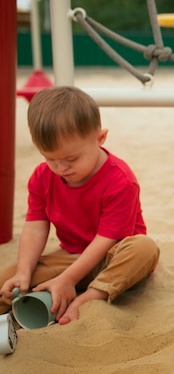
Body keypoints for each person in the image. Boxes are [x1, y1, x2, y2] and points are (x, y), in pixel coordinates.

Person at [0, 86, 160, 326]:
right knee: (9, 278)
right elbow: (34, 228)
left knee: (145, 248)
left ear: (100, 138)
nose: (61, 168)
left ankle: (90, 297)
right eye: (50, 158)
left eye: (71, 159)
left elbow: (108, 238)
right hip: (71, 258)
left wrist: (68, 279)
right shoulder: (42, 177)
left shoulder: (120, 180)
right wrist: (24, 271)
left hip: (114, 260)